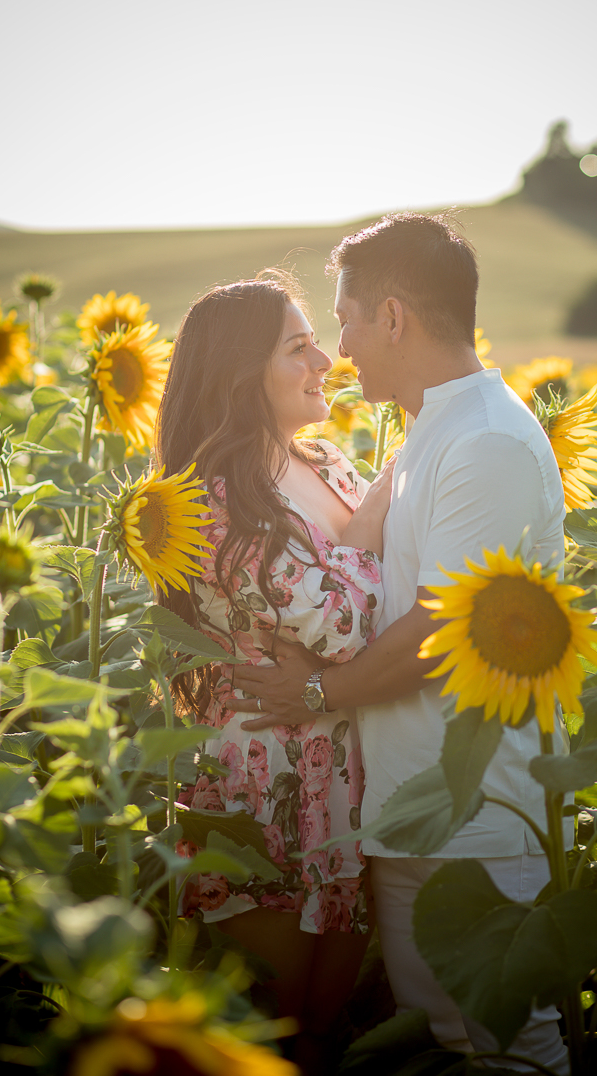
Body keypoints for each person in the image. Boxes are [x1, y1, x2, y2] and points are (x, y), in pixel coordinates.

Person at [231, 214, 571, 1075]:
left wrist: (314, 695)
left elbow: (440, 629)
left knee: (509, 1048)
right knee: (447, 1038)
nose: (338, 349)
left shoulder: (484, 441)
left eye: (342, 320)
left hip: (476, 808)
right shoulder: (432, 434)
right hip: (419, 803)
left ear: (391, 317)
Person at [154, 275, 394, 1072]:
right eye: (298, 347)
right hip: (267, 781)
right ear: (239, 373)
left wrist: (362, 574)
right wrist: (380, 525)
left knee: (325, 1030)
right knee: (265, 1038)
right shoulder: (220, 497)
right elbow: (346, 623)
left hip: (347, 774)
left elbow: (377, 605)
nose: (324, 358)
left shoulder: (324, 462)